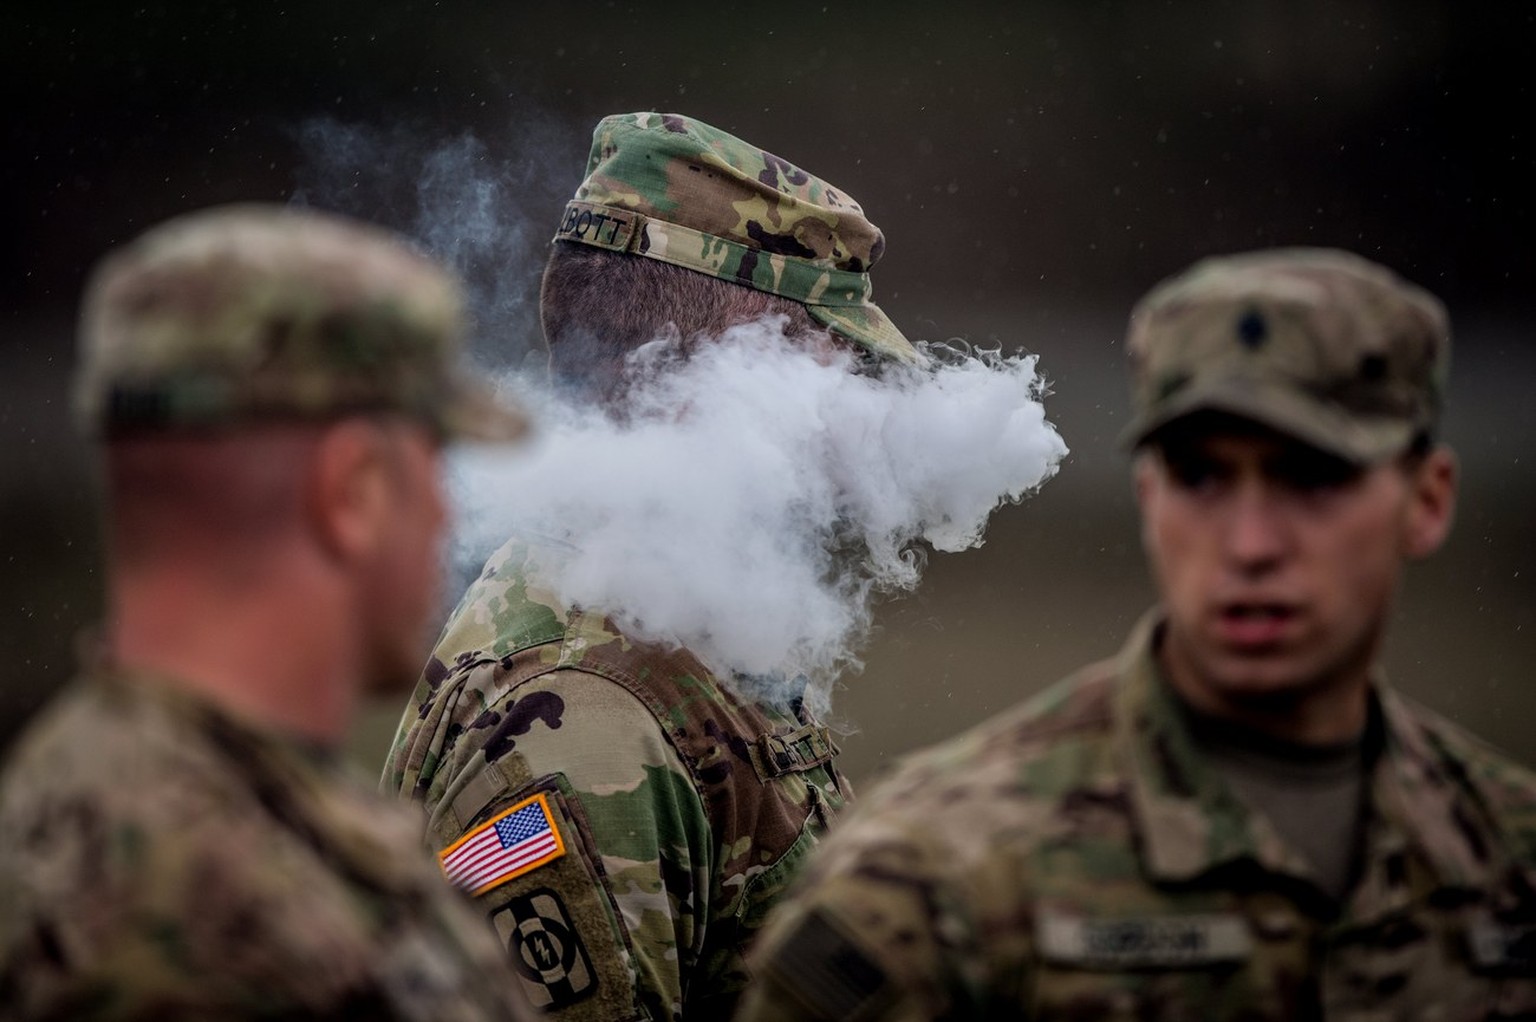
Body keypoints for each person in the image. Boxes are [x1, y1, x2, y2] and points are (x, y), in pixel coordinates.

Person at [734, 248, 1536, 1020]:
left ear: (1427, 500)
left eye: (1313, 477)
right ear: (1149, 497)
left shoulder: (1510, 852)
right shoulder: (935, 871)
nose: (1251, 543)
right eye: (1201, 477)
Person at [382, 112, 923, 1021]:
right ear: (739, 368)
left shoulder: (656, 607)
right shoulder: (583, 719)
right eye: (832, 367)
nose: (848, 426)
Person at [0, 204, 539, 1020]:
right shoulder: (208, 920)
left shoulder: (111, 802)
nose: (447, 513)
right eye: (434, 463)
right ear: (351, 491)